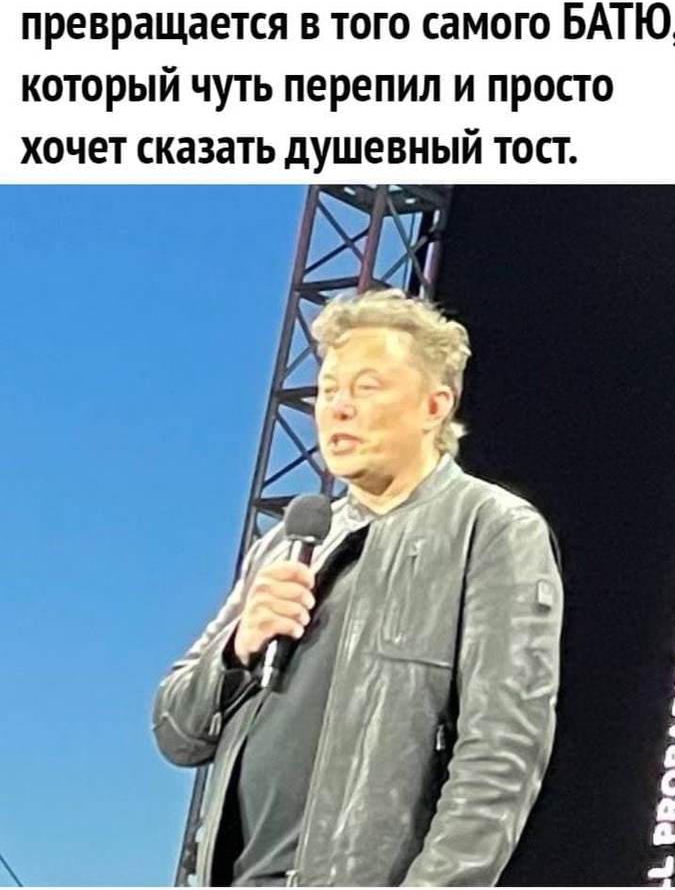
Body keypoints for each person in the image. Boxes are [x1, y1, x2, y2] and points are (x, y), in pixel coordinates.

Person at [153, 288, 564, 887]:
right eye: (328, 391)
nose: (338, 408)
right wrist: (237, 648)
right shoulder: (288, 542)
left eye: (367, 387)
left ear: (435, 406)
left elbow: (502, 753)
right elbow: (176, 732)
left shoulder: (491, 528)